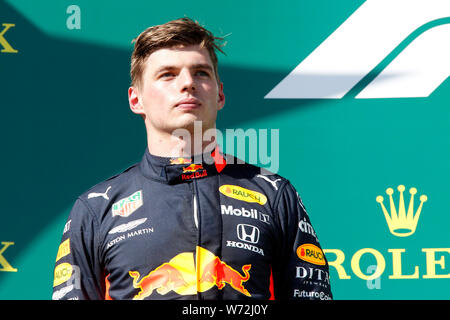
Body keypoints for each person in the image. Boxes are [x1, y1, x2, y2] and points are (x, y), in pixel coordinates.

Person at [52, 17, 332, 300]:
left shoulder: (273, 193)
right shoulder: (95, 209)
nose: (187, 83)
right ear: (136, 99)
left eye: (200, 73)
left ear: (220, 94)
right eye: (168, 74)